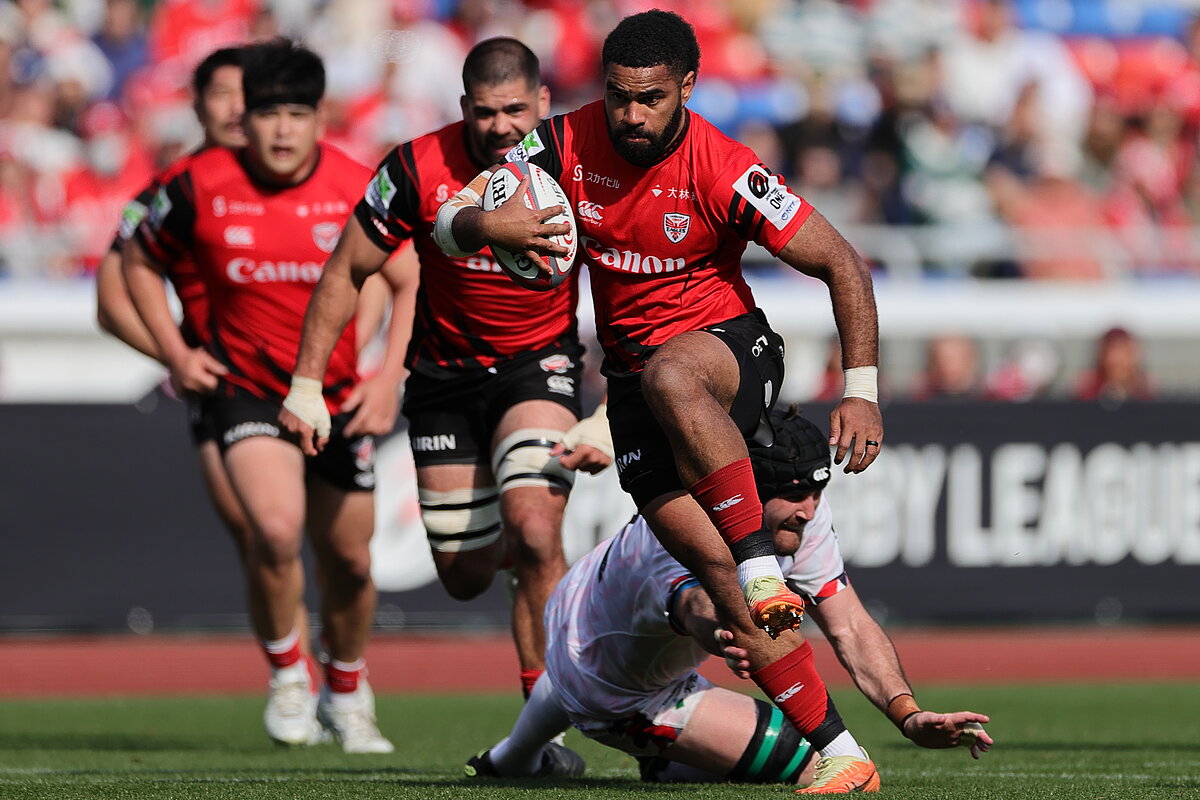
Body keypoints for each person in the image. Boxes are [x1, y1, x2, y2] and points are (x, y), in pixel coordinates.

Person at [434, 11, 884, 791]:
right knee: (726, 586)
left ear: (688, 87)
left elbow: (842, 262)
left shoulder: (724, 167)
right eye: (618, 97)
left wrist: (862, 390)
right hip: (635, 391)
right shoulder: (563, 144)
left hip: (731, 355)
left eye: (650, 98)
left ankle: (759, 562)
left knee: (676, 381)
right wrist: (488, 223)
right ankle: (843, 754)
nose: (632, 115)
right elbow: (447, 222)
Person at [278, 37, 612, 701]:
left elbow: (627, 286)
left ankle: (544, 719)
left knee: (537, 528)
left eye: (515, 110)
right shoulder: (415, 166)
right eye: (485, 112)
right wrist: (306, 385)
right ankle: (520, 553)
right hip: (443, 377)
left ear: (543, 100)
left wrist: (612, 408)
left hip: (537, 367)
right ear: (463, 107)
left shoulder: (579, 170)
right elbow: (347, 269)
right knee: (463, 575)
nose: (501, 126)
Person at [465, 407, 991, 790]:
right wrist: (724, 633)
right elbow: (695, 606)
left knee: (597, 665)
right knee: (820, 765)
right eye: (795, 495)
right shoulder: (686, 528)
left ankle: (514, 756)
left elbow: (849, 624)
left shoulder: (799, 518)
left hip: (579, 606)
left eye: (817, 492)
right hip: (616, 689)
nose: (809, 510)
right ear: (746, 491)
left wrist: (907, 714)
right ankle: (659, 753)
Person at [123, 38, 403, 754]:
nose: (282, 130)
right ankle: (287, 677)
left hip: (337, 396)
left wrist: (388, 375)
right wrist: (175, 351)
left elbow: (409, 276)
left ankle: (347, 690)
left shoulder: (356, 184)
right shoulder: (196, 184)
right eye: (268, 114)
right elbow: (136, 259)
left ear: (319, 119)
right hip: (246, 394)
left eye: (297, 114)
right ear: (242, 119)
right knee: (274, 531)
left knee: (352, 564)